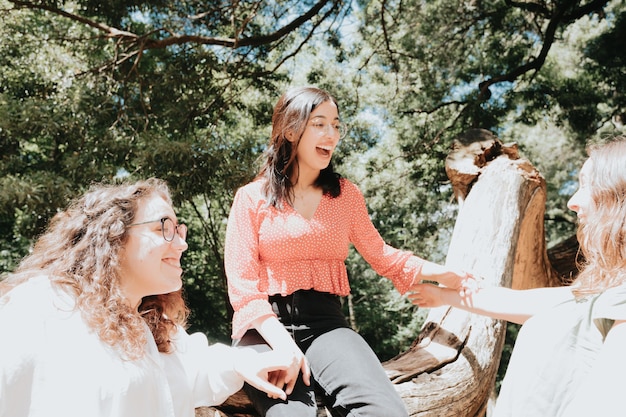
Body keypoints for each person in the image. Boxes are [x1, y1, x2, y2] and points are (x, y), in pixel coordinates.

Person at [223, 86, 472, 417]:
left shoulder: (346, 196)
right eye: (320, 123)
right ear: (290, 129)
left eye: (337, 125)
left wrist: (443, 273)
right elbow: (242, 289)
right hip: (264, 331)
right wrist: (284, 346)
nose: (332, 134)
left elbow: (382, 255)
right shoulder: (251, 198)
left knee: (384, 412)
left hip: (326, 324)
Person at [0, 178, 289, 417]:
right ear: (114, 237)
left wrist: (245, 361)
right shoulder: (45, 304)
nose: (182, 243)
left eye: (179, 230)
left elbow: (196, 369)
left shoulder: (150, 324)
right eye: (163, 227)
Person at [408, 136, 626, 417]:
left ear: (618, 196)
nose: (573, 201)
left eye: (586, 184)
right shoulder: (600, 295)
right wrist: (443, 295)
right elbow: (517, 303)